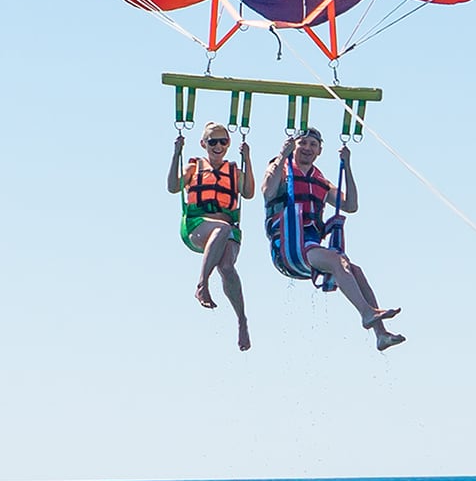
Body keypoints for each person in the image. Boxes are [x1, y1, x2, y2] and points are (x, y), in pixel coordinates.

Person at [265, 127, 405, 352]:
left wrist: (347, 165)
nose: (308, 148)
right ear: (294, 146)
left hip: (310, 245)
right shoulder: (282, 170)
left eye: (313, 145)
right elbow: (268, 192)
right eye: (303, 143)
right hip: (289, 246)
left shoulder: (321, 182)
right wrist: (282, 155)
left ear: (320, 150)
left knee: (355, 270)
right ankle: (367, 313)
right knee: (338, 261)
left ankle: (381, 334)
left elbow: (351, 205)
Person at [169, 124, 252, 350]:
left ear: (228, 144)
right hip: (197, 226)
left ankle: (242, 321)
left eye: (223, 141)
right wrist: (176, 154)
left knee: (226, 268)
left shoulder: (234, 171)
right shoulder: (194, 167)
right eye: (212, 141)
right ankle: (202, 284)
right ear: (203, 144)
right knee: (221, 229)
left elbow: (249, 193)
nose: (218, 146)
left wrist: (248, 158)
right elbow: (172, 187)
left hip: (228, 228)